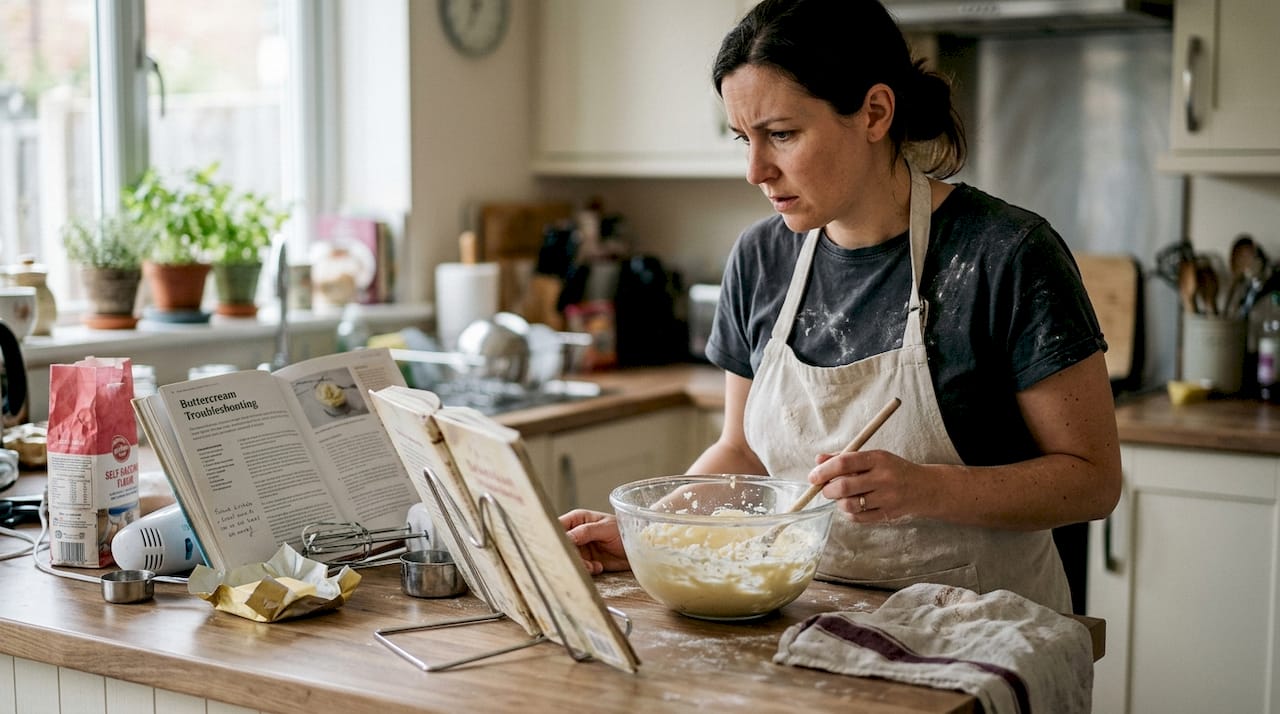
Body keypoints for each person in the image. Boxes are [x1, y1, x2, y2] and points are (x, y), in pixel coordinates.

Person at [560, 0, 1121, 611]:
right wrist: (650, 534)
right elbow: (743, 453)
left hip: (981, 627)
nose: (754, 170)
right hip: (812, 618)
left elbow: (1092, 481)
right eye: (744, 138)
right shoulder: (760, 258)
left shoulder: (1006, 254)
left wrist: (928, 489)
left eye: (781, 134)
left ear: (875, 112)